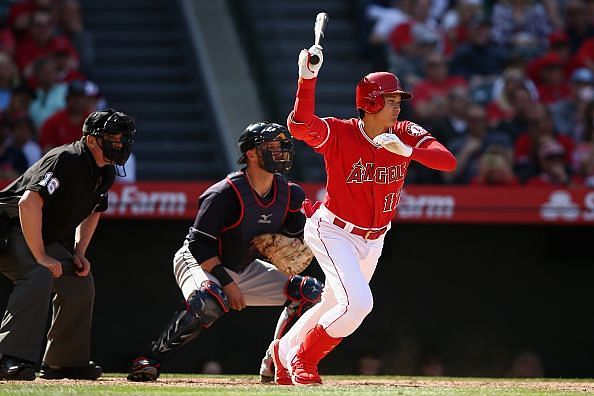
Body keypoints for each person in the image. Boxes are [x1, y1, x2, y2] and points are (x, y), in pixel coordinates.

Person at [270, 46, 456, 386]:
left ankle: (284, 352)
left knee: (331, 304)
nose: (398, 106)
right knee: (357, 305)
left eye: (399, 100)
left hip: (374, 238)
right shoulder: (341, 132)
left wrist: (410, 152)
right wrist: (307, 79)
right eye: (390, 100)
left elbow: (447, 161)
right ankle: (304, 359)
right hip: (333, 231)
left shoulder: (404, 132)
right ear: (369, 103)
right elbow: (299, 126)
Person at [126, 122, 323, 382]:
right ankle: (150, 359)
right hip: (199, 261)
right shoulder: (224, 193)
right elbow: (198, 244)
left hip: (244, 265)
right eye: (271, 146)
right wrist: (227, 283)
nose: (280, 151)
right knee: (209, 300)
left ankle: (276, 361)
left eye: (281, 145)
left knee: (310, 293)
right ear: (251, 153)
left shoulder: (290, 193)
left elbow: (297, 234)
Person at [0, 108, 135, 381]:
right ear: (92, 140)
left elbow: (95, 210)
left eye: (123, 138)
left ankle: (64, 362)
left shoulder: (105, 171)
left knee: (79, 281)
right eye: (114, 137)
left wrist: (79, 251)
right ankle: (8, 358)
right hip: (8, 228)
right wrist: (40, 256)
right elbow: (29, 203)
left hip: (40, 235)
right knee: (36, 274)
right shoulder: (66, 158)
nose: (120, 144)